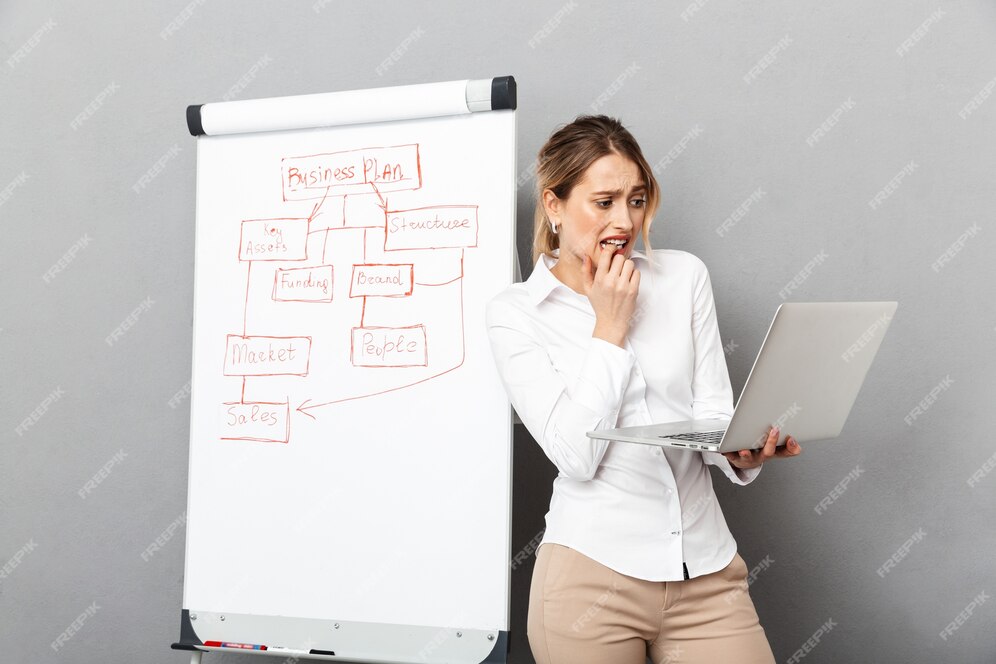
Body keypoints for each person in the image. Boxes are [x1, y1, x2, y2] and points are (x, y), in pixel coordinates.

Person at [484, 115, 802, 664]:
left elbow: (710, 413)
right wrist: (610, 326)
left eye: (635, 199)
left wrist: (740, 451)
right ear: (555, 205)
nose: (624, 220)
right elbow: (576, 456)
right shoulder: (515, 314)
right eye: (603, 202)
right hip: (589, 579)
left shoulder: (683, 278)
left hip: (704, 570)